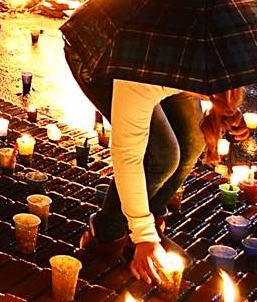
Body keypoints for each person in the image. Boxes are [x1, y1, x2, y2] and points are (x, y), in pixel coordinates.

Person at [74, 70, 247, 285]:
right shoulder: (140, 75)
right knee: (162, 154)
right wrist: (144, 234)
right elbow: (128, 157)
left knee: (192, 140)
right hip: (110, 65)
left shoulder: (206, 59)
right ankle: (107, 231)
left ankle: (148, 216)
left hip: (173, 70)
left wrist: (225, 106)